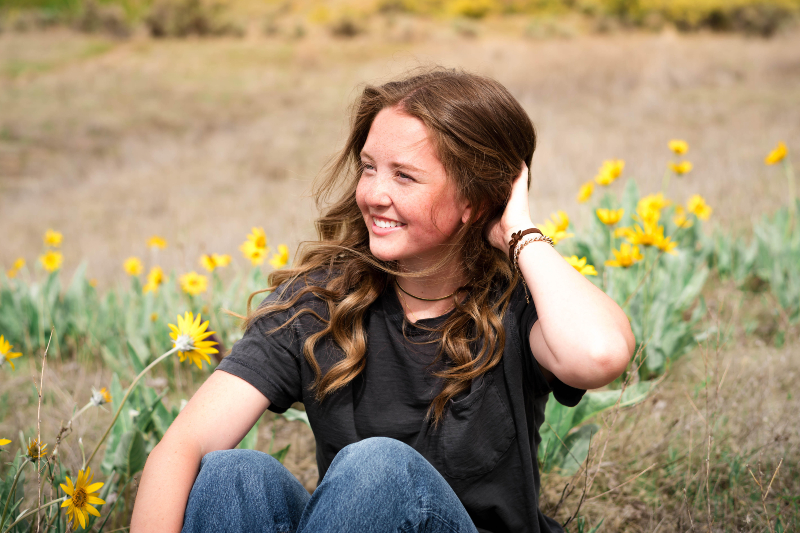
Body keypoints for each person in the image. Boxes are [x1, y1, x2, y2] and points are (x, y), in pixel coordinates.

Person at [130, 68, 635, 533]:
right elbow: (182, 446)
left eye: (404, 175)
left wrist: (519, 230)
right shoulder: (321, 301)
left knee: (378, 468)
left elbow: (599, 355)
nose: (372, 193)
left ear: (475, 200)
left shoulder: (520, 304)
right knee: (228, 474)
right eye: (369, 168)